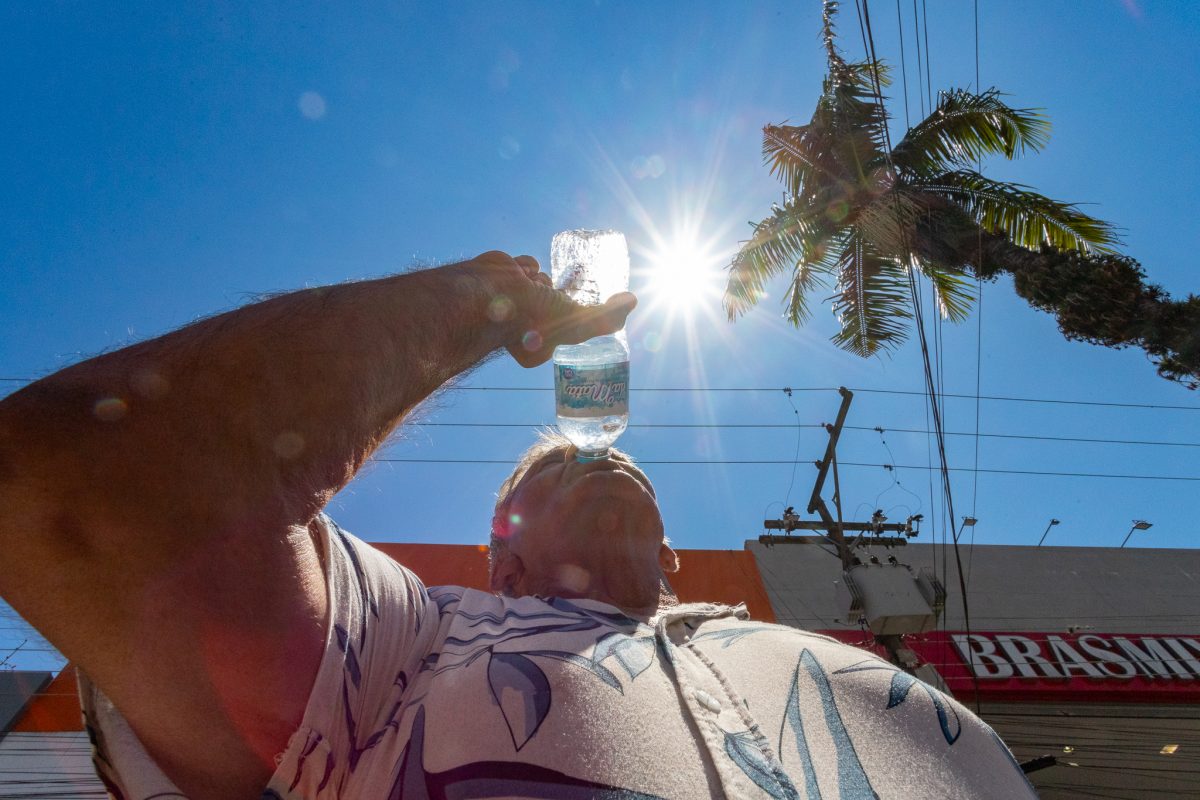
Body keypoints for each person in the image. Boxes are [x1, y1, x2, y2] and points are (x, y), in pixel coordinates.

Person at [0, 252, 1036, 799]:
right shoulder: (415, 645)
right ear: (502, 559)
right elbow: (71, 492)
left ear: (672, 555)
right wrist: (467, 313)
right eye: (550, 472)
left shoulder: (819, 657)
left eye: (617, 464)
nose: (597, 455)